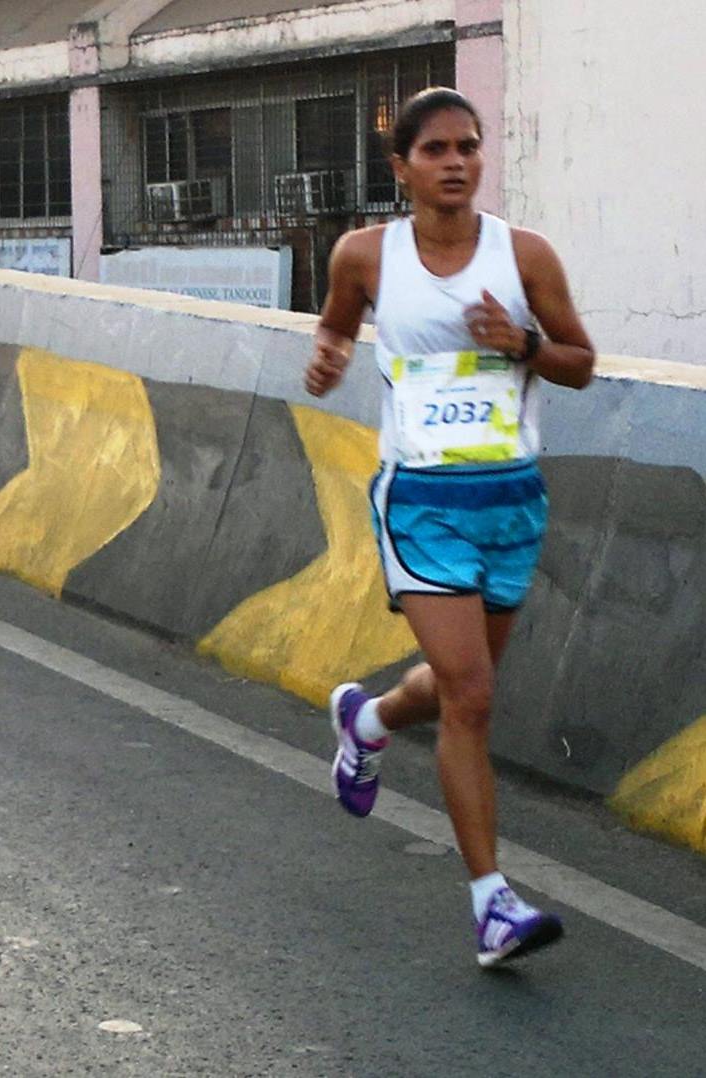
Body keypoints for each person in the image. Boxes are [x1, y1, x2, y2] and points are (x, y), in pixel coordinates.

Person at [304, 87, 596, 969]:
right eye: (436, 150)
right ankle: (491, 905)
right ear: (402, 167)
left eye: (468, 146)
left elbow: (581, 364)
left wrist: (524, 345)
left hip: (511, 498)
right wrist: (327, 360)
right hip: (422, 503)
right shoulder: (365, 255)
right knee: (472, 697)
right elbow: (335, 332)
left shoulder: (524, 255)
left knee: (459, 685)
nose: (457, 162)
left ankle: (369, 720)